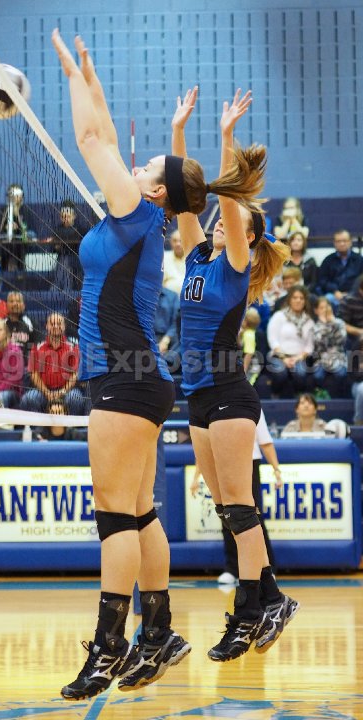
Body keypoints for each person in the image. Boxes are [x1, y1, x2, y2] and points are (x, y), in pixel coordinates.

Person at [51, 30, 213, 698]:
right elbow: (109, 139)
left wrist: (70, 79)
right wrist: (90, 78)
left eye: (148, 165)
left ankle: (109, 648)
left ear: (156, 190)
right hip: (139, 377)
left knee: (114, 514)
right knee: (140, 513)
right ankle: (160, 632)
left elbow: (93, 141)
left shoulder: (135, 214)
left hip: (124, 376)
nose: (136, 164)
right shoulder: (141, 215)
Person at [172, 85, 296, 662]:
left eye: (232, 219)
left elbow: (225, 197)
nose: (220, 222)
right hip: (197, 397)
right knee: (227, 509)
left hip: (228, 392)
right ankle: (270, 601)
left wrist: (226, 140)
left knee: (240, 508)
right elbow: (184, 199)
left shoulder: (236, 266)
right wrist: (179, 132)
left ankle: (249, 614)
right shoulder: (199, 256)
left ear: (248, 234)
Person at [191, 410, 281, 584]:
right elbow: (203, 445)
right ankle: (233, 568)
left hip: (249, 461)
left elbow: (265, 441)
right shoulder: (211, 405)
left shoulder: (250, 403)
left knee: (252, 516)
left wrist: (276, 469)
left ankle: (266, 569)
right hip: (220, 460)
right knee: (227, 514)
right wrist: (196, 476)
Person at [19, 312, 85, 416]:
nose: (55, 326)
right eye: (52, 323)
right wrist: (46, 392)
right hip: (43, 391)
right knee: (28, 398)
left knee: (76, 398)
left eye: (59, 323)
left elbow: (75, 374)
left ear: (64, 326)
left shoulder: (73, 347)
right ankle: (36, 426)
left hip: (67, 391)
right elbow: (34, 373)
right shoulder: (37, 347)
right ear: (46, 326)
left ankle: (71, 425)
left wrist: (63, 391)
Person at [266, 285, 315, 398]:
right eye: (295, 297)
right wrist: (284, 358)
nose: (298, 300)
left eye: (301, 298)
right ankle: (275, 397)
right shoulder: (279, 316)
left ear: (305, 301)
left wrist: (297, 358)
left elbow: (309, 347)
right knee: (280, 373)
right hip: (279, 356)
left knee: (300, 374)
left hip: (299, 357)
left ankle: (299, 399)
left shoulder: (309, 321)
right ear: (289, 300)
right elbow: (273, 340)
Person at [0, 183, 36, 271]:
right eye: (12, 194)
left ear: (21, 196)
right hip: (5, 247)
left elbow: (30, 233)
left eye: (17, 194)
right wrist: (6, 228)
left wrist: (19, 225)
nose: (14, 197)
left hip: (21, 247)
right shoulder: (2, 212)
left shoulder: (27, 212)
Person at [317, 229, 363, 307]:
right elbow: (323, 280)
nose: (342, 244)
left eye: (344, 241)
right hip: (333, 294)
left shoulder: (359, 260)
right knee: (326, 301)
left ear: (350, 242)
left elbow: (361, 280)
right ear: (334, 243)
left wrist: (351, 292)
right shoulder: (328, 260)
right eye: (338, 241)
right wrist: (335, 291)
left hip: (355, 294)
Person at [312, 296, 347, 397]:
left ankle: (337, 398)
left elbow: (341, 340)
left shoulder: (339, 323)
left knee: (341, 374)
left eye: (327, 306)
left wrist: (333, 323)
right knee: (317, 376)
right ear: (316, 311)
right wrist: (324, 324)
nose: (325, 310)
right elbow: (320, 343)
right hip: (321, 359)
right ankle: (322, 395)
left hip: (338, 357)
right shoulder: (315, 326)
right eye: (322, 308)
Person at [5, 291, 37, 361]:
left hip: (26, 365)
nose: (15, 304)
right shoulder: (1, 324)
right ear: (6, 305)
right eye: (11, 301)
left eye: (18, 301)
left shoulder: (31, 323)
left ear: (23, 306)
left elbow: (38, 344)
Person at [338, 274, 363, 349]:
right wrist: (360, 331)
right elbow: (341, 324)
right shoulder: (348, 301)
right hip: (354, 337)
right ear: (360, 289)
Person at [163, 229, 186, 294]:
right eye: (175, 241)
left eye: (181, 241)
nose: (178, 244)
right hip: (168, 298)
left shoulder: (194, 260)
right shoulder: (164, 258)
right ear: (171, 242)